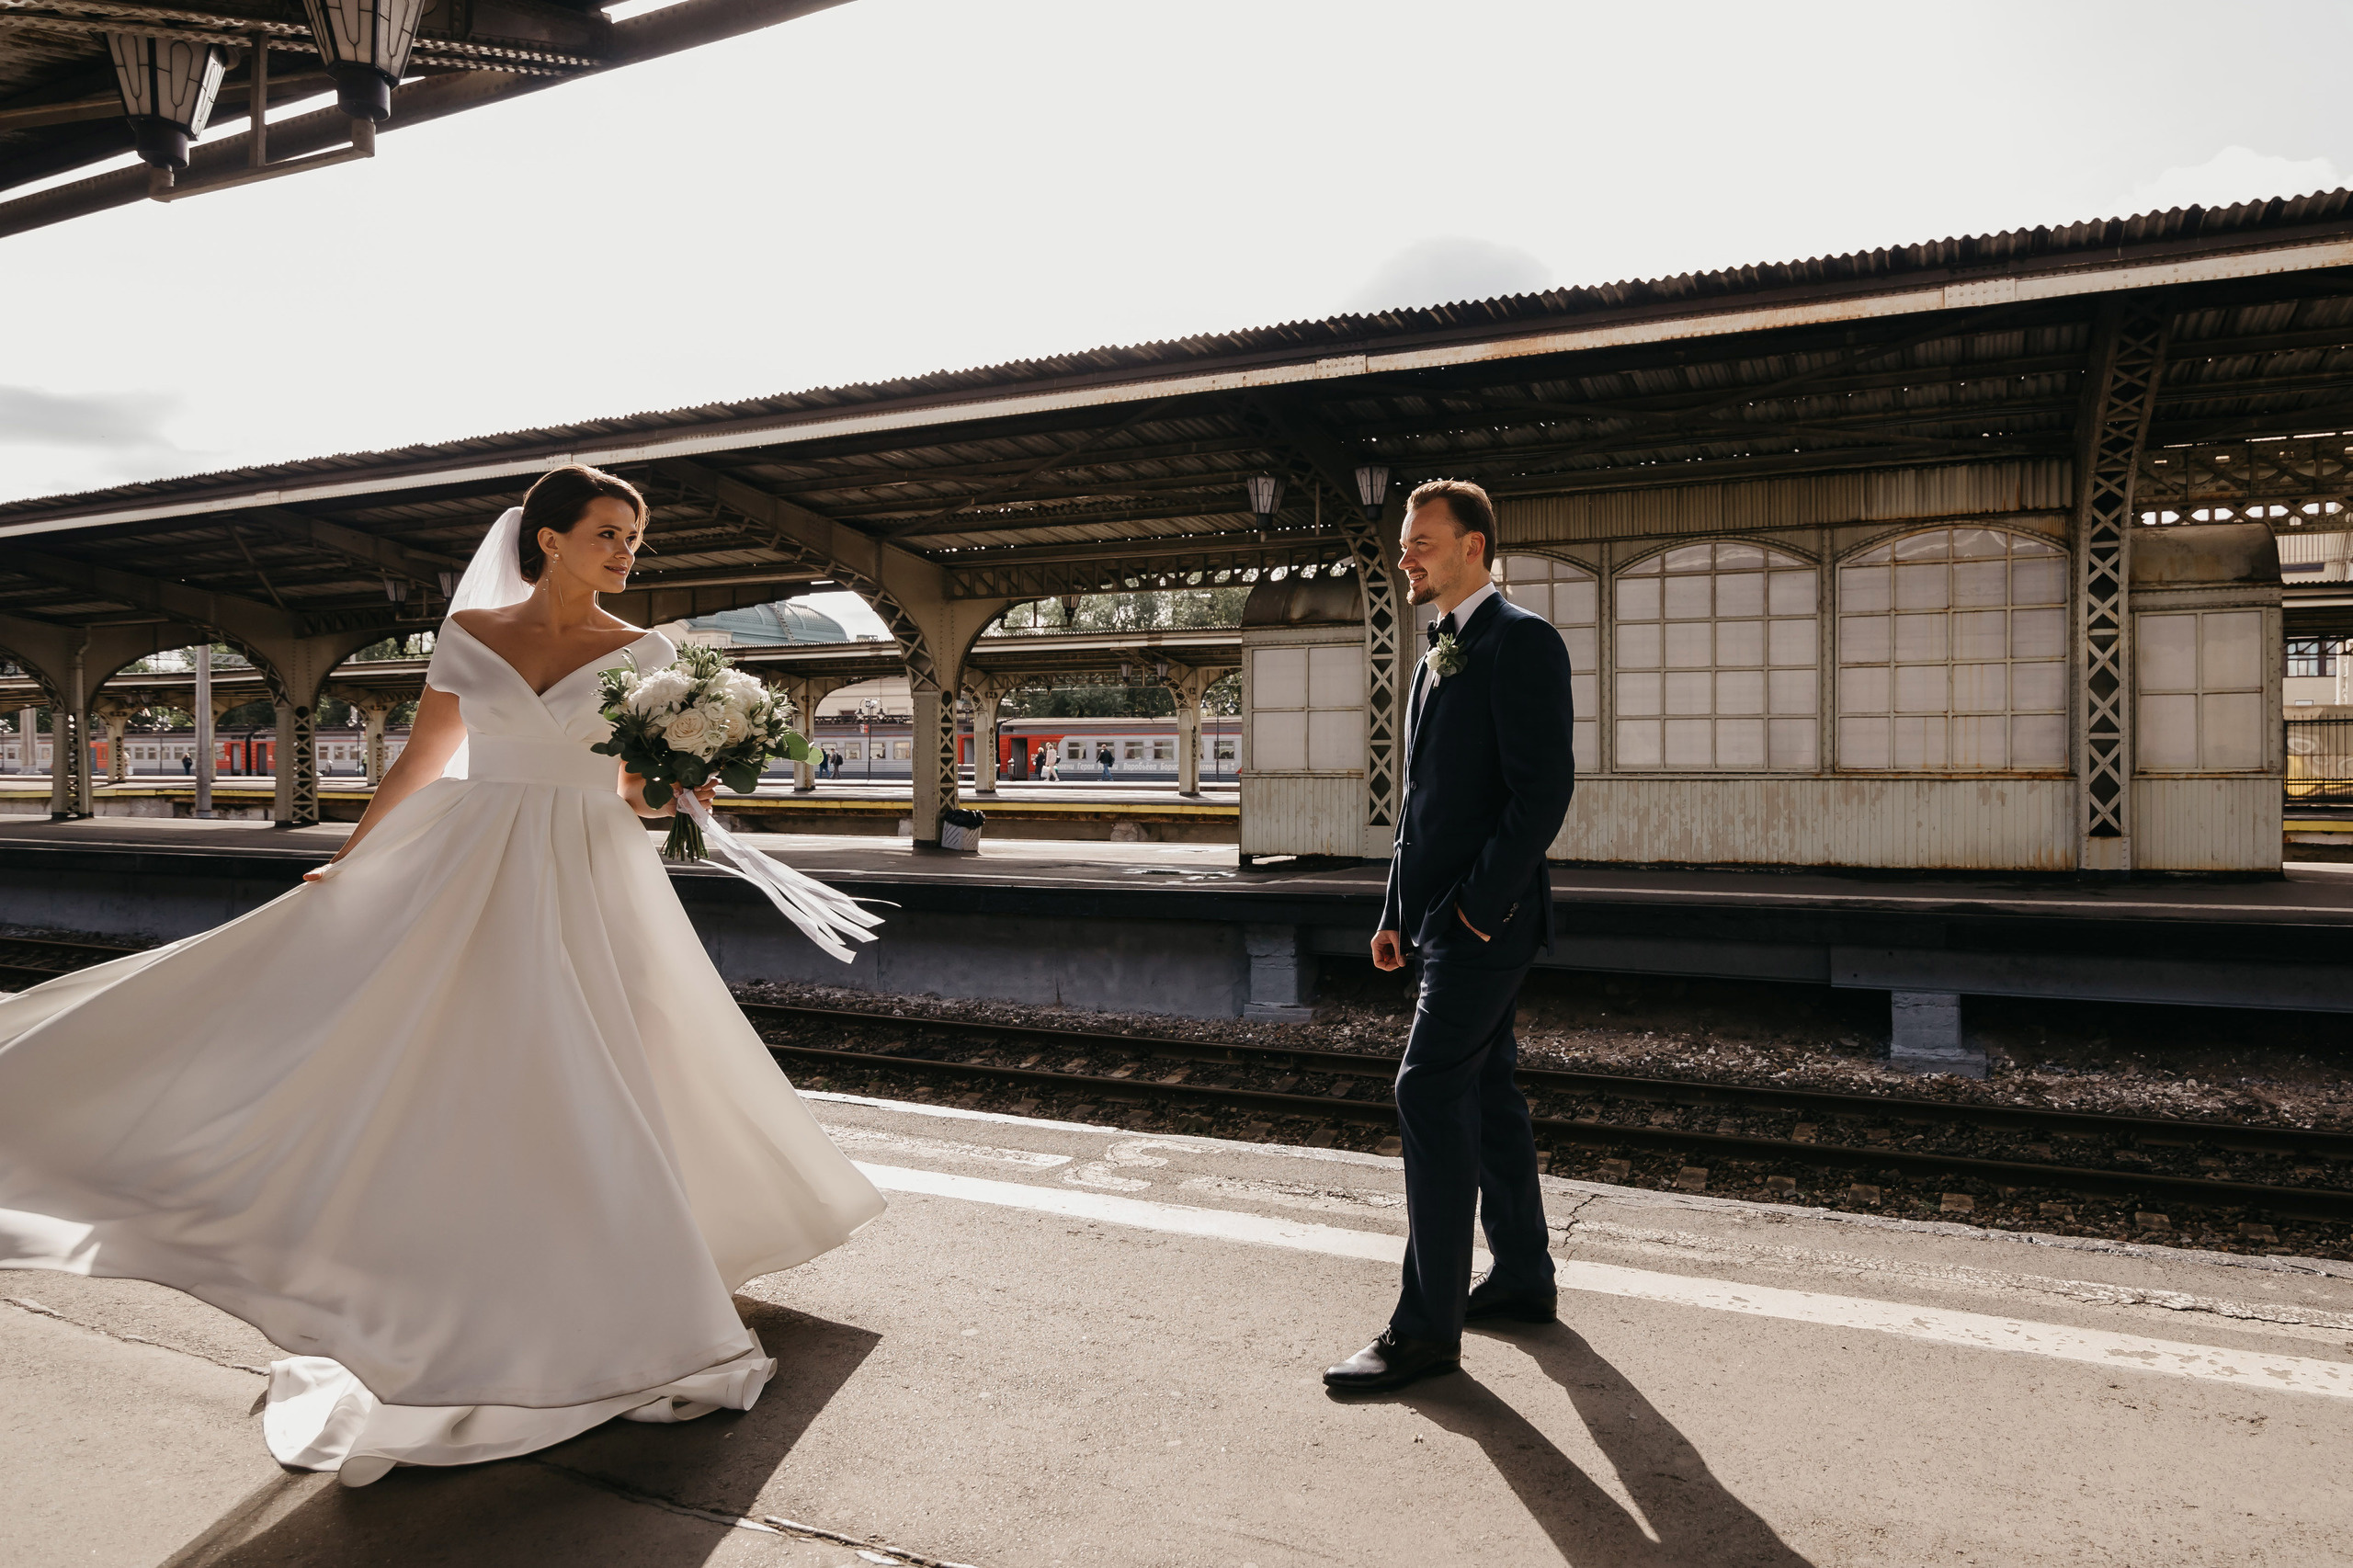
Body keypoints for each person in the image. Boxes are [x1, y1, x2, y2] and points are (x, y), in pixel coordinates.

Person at [0, 465, 884, 1485]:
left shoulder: (651, 654)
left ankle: (617, 1275)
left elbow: (634, 796)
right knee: (464, 1064)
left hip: (590, 864)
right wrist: (355, 857)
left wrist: (688, 767)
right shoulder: (471, 639)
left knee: (609, 1061)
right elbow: (422, 761)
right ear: (547, 538)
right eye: (608, 531)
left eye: (635, 538)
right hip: (471, 857)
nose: (626, 552)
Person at [1324, 478, 1576, 1393]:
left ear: (1472, 545)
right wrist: (1397, 908)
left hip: (1485, 920)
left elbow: (1540, 794)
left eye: (1421, 541)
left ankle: (1422, 1330)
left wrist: (1472, 910)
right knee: (1489, 1092)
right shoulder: (1441, 648)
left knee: (1428, 1090)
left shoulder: (1522, 640)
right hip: (1436, 919)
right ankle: (1522, 1274)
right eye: (1403, 543)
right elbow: (1421, 801)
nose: (1406, 557)